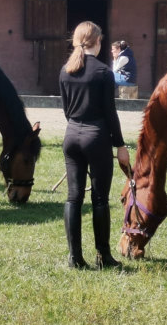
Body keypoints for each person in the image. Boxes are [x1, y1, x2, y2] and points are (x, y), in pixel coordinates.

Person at [59, 21, 130, 269]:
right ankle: (103, 257)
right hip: (96, 137)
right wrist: (120, 145)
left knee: (73, 198)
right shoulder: (103, 72)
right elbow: (111, 114)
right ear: (98, 41)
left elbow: (67, 111)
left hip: (72, 137)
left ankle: (74, 258)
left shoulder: (65, 71)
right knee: (99, 199)